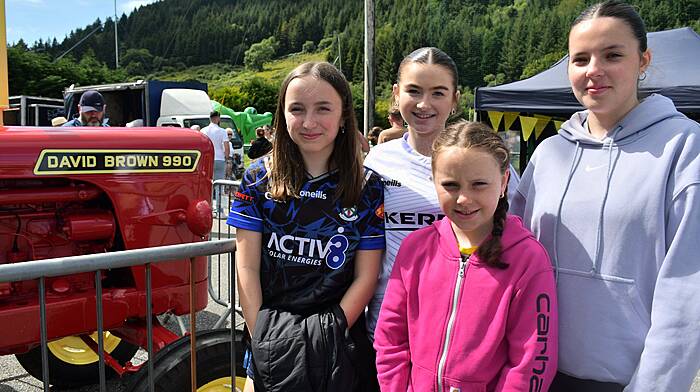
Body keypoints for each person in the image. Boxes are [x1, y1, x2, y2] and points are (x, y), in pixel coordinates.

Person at [510, 1, 700, 391]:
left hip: (627, 380)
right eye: (580, 59)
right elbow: (513, 256)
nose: (594, 70)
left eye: (612, 55)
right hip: (536, 374)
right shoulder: (549, 154)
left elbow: (688, 292)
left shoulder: (684, 149)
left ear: (643, 60)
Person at [227, 61, 385, 392]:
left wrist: (325, 335)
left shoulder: (368, 185)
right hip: (269, 339)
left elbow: (366, 276)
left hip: (337, 346)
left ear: (343, 115)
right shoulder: (257, 178)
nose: (309, 122)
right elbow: (246, 266)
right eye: (297, 109)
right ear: (282, 116)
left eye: (323, 109)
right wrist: (264, 338)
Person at [375, 120, 557, 392]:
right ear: (433, 181)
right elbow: (390, 338)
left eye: (479, 184)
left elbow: (532, 361)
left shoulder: (527, 258)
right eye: (450, 185)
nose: (464, 198)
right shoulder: (415, 248)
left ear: (504, 181)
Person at [365, 47, 521, 346]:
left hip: (466, 333)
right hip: (390, 333)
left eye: (438, 92)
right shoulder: (376, 161)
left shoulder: (487, 162)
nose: (425, 104)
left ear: (455, 99)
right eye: (414, 91)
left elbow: (517, 238)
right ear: (397, 94)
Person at [201, 110, 230, 215]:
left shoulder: (204, 131)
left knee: (208, 185)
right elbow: (226, 146)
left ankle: (208, 208)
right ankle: (219, 210)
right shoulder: (222, 131)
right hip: (219, 159)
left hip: (207, 160)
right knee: (219, 185)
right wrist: (227, 158)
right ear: (218, 118)